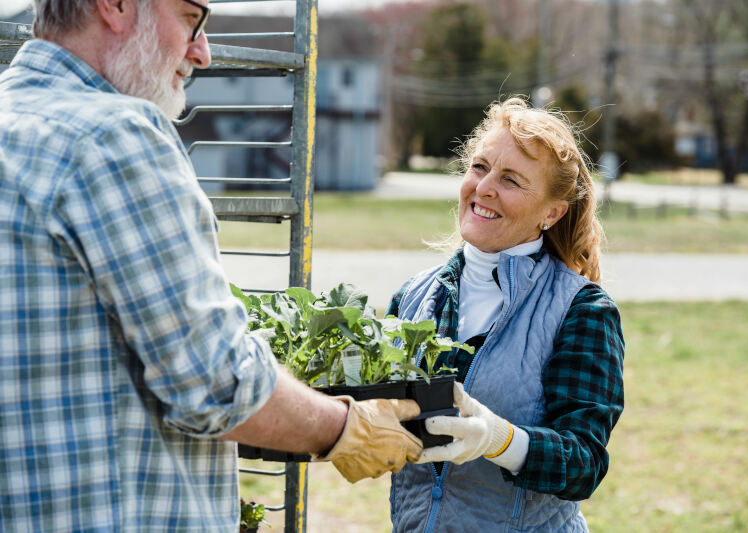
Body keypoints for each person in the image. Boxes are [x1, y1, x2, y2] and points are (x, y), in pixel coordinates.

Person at [0, 0, 422, 530]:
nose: (201, 52)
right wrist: (346, 428)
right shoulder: (113, 136)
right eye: (189, 17)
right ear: (116, 5)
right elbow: (216, 383)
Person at [386, 97, 625, 532]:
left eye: (511, 180)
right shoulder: (413, 296)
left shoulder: (582, 311)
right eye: (479, 167)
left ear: (552, 213)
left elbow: (585, 462)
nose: (484, 188)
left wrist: (499, 439)